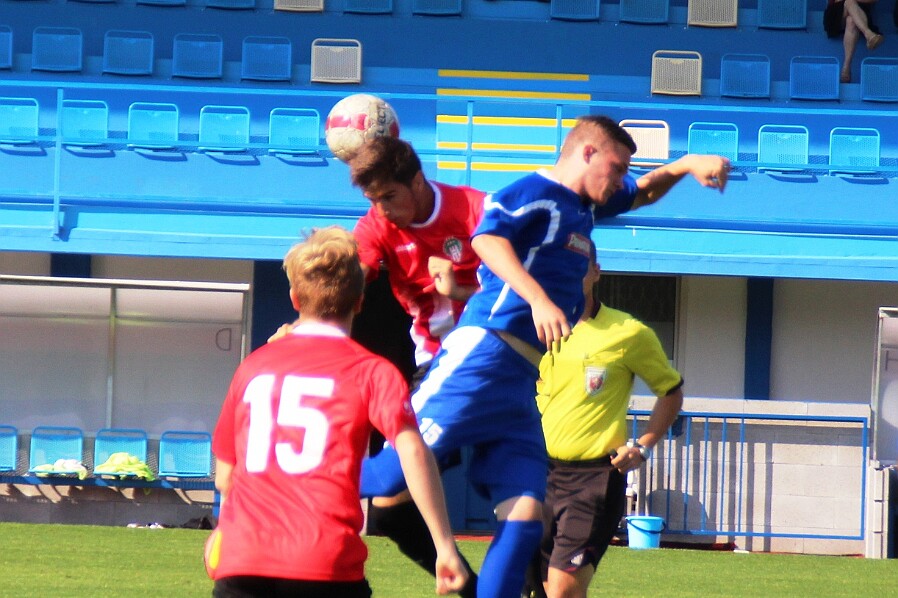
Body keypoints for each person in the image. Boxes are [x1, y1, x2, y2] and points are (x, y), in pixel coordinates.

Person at [360, 115, 730, 598]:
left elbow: (642, 191)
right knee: (389, 475)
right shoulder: (535, 192)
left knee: (526, 517)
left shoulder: (581, 209)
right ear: (587, 153)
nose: (619, 180)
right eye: (616, 168)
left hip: (518, 383)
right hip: (482, 355)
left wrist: (684, 164)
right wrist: (536, 298)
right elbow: (487, 240)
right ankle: (281, 477)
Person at [270, 138, 485, 598]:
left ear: (419, 182)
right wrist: (300, 327)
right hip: (438, 366)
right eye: (372, 200)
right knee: (390, 511)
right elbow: (342, 286)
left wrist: (464, 293)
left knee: (518, 496)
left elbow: (516, 289)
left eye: (389, 196)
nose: (381, 210)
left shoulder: (475, 210)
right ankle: (476, 587)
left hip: (492, 357)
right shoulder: (376, 228)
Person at [208, 226, 468, 597]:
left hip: (244, 559)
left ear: (295, 299)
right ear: (359, 301)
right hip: (325, 563)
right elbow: (412, 451)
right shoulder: (372, 371)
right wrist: (443, 546)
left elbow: (225, 478)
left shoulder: (254, 366)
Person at [528, 240, 684, 598]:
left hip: (593, 480)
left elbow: (671, 392)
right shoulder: (532, 326)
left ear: (595, 272)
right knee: (535, 586)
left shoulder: (627, 332)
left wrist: (643, 446)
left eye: (579, 265)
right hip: (536, 473)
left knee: (563, 590)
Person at [824, 0, 884, 83]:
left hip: (860, 13)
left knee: (851, 21)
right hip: (836, 13)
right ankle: (868, 34)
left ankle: (846, 67)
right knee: (849, 1)